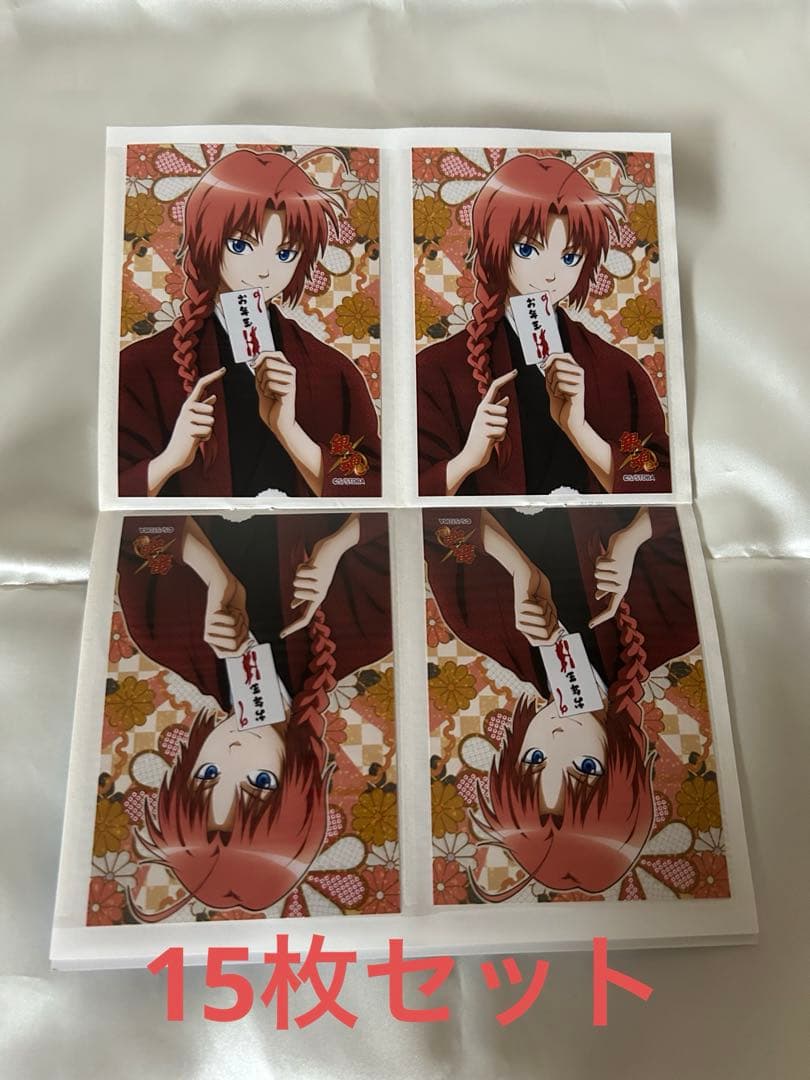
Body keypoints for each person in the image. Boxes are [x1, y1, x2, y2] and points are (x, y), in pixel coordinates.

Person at [116, 512, 391, 918]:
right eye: (260, 782)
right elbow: (415, 512)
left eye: (207, 774)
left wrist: (213, 573)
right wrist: (339, 543)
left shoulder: (163, 637)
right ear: (300, 784)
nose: (232, 753)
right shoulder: (367, 633)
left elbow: (131, 519)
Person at [423, 506, 698, 895]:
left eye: (534, 759)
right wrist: (636, 534)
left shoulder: (480, 626)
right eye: (585, 767)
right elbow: (699, 508)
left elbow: (434, 514)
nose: (555, 738)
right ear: (625, 766)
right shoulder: (675, 623)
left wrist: (516, 565)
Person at [118, 148, 381, 498]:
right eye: (240, 245)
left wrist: (288, 431)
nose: (263, 270)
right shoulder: (143, 367)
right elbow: (111, 493)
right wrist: (170, 459)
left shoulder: (332, 372)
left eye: (285, 253)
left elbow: (368, 488)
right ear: (205, 240)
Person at [417, 153, 669, 496]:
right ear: (494, 246)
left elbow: (661, 486)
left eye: (570, 257)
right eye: (527, 249)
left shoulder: (616, 371)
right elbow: (407, 494)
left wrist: (578, 430)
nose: (550, 274)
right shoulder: (437, 371)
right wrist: (468, 459)